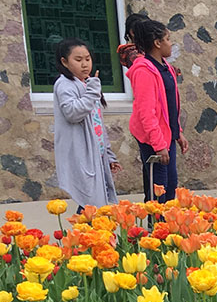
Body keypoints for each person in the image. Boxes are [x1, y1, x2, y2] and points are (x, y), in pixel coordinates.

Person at [52, 38, 120, 212]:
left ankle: (86, 236)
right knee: (90, 201)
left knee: (94, 203)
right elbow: (72, 113)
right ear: (64, 62)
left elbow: (98, 124)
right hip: (81, 154)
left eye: (88, 59)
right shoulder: (64, 84)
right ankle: (83, 237)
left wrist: (108, 154)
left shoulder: (86, 84)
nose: (85, 65)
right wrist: (92, 91)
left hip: (97, 153)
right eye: (78, 60)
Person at [127, 19, 188, 203]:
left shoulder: (165, 67)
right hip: (154, 139)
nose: (171, 44)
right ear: (157, 43)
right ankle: (155, 228)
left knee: (170, 187)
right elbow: (146, 113)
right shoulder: (143, 70)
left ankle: (166, 228)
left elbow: (170, 104)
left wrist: (178, 133)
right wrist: (159, 145)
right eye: (168, 39)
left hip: (167, 135)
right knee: (158, 189)